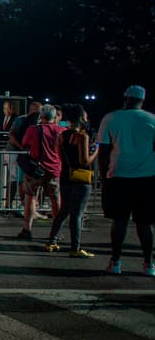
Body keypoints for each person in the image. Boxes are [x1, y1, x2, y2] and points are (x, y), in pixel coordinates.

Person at [96, 85, 155, 276]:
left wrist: (104, 176)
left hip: (118, 176)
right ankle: (149, 263)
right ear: (142, 100)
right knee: (145, 224)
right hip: (147, 178)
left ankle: (115, 261)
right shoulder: (151, 119)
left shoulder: (111, 118)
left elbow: (103, 151)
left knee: (119, 222)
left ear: (125, 98)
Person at [45, 104, 98, 258]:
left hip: (65, 177)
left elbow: (60, 155)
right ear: (81, 118)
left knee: (64, 211)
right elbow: (84, 161)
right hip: (81, 178)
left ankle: (51, 241)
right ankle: (75, 248)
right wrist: (96, 150)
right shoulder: (82, 136)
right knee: (77, 214)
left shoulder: (62, 135)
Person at [18, 104, 63, 239]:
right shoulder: (61, 130)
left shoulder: (33, 130)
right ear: (54, 116)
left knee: (31, 198)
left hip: (35, 169)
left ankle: (27, 229)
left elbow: (25, 143)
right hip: (54, 169)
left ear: (41, 116)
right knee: (55, 199)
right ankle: (57, 231)